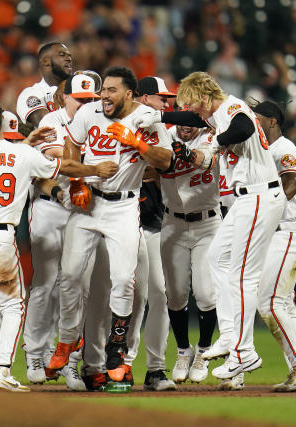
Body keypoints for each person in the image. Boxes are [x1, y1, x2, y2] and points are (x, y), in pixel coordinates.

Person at [0, 99, 118, 391]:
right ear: (4, 124)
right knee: (13, 307)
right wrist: (94, 168)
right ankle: (2, 370)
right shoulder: (22, 154)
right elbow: (65, 166)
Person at [133, 71, 285, 379]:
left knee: (242, 277)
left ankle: (243, 352)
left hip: (258, 195)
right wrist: (162, 115)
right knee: (218, 261)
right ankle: (230, 336)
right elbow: (191, 117)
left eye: (195, 105)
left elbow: (242, 127)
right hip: (248, 198)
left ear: (204, 97)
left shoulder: (230, 108)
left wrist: (216, 143)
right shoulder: (215, 113)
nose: (194, 113)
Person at [48, 66, 172, 387]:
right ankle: (67, 339)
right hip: (90, 201)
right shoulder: (89, 112)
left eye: (112, 91)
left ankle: (116, 350)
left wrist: (138, 143)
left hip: (124, 206)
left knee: (123, 280)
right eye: (104, 91)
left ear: (129, 94)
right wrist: (77, 179)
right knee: (71, 274)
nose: (104, 96)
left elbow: (166, 161)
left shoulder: (147, 118)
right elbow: (72, 146)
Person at [24, 73, 100, 391]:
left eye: (90, 100)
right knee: (44, 285)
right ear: (63, 98)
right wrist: (66, 187)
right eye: (79, 99)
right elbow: (60, 163)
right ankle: (34, 356)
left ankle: (69, 360)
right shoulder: (51, 123)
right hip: (50, 205)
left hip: (83, 209)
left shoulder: (99, 121)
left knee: (78, 287)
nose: (85, 105)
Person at [252, 100, 296, 392]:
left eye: (258, 120)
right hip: (277, 235)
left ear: (272, 122)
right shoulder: (265, 151)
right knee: (280, 304)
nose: (254, 125)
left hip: (288, 233)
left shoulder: (284, 149)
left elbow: (292, 183)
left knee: (270, 303)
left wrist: (263, 206)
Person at [159, 116, 219, 386]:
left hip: (208, 222)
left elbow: (207, 158)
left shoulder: (211, 136)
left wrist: (187, 154)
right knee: (175, 294)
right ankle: (183, 350)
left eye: (191, 117)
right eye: (181, 115)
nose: (185, 123)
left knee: (206, 294)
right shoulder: (164, 135)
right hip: (173, 222)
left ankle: (204, 349)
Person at [127, 76, 177, 391]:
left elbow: (166, 169)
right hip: (123, 220)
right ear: (143, 99)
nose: (166, 104)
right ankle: (120, 362)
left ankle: (155, 369)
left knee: (161, 292)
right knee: (131, 294)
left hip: (154, 221)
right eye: (161, 98)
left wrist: (153, 166)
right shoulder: (118, 122)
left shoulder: (160, 130)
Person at [16, 42, 72, 128]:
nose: (69, 59)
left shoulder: (75, 85)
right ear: (46, 61)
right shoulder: (30, 93)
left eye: (69, 55)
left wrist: (66, 84)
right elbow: (46, 126)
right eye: (62, 55)